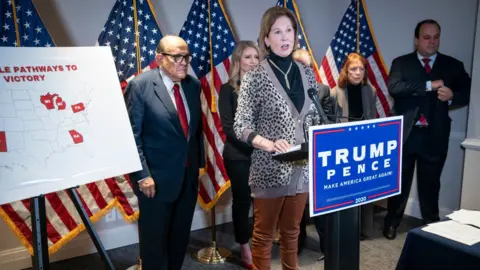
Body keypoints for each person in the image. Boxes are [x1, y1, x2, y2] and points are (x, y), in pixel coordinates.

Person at [234, 6, 332, 269]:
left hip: (302, 170)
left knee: (292, 234)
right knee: (264, 236)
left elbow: (311, 117)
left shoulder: (307, 73)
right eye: (277, 31)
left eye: (289, 30)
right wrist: (268, 143)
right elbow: (240, 125)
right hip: (270, 169)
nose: (284, 37)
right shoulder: (255, 76)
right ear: (266, 39)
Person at [383, 19, 471, 240]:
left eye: (436, 36)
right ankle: (391, 222)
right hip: (406, 135)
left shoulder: (453, 65)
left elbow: (469, 91)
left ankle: (431, 226)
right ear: (416, 40)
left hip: (435, 136)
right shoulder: (401, 63)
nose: (432, 41)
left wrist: (452, 97)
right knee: (399, 184)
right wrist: (427, 85)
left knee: (430, 185)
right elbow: (394, 88)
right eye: (426, 37)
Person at [124, 35, 204, 269]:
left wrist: (197, 167)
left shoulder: (193, 85)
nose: (183, 61)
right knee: (154, 244)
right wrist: (142, 175)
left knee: (179, 240)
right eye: (176, 56)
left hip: (187, 179)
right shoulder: (140, 86)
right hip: (154, 182)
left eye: (186, 56)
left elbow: (194, 131)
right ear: (159, 58)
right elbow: (131, 137)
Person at [218, 40, 259, 269]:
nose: (253, 61)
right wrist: (257, 145)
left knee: (263, 201)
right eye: (248, 57)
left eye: (256, 57)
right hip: (239, 154)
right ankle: (244, 247)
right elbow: (229, 128)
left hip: (264, 154)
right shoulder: (228, 89)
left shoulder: (265, 87)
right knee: (243, 201)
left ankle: (260, 242)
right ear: (238, 61)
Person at [330, 52, 377, 240]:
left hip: (365, 147)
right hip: (343, 148)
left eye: (361, 69)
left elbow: (372, 118)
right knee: (346, 189)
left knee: (365, 190)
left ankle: (364, 229)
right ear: (346, 71)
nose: (357, 73)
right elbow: (331, 124)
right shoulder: (335, 92)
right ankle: (346, 227)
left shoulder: (370, 91)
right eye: (353, 69)